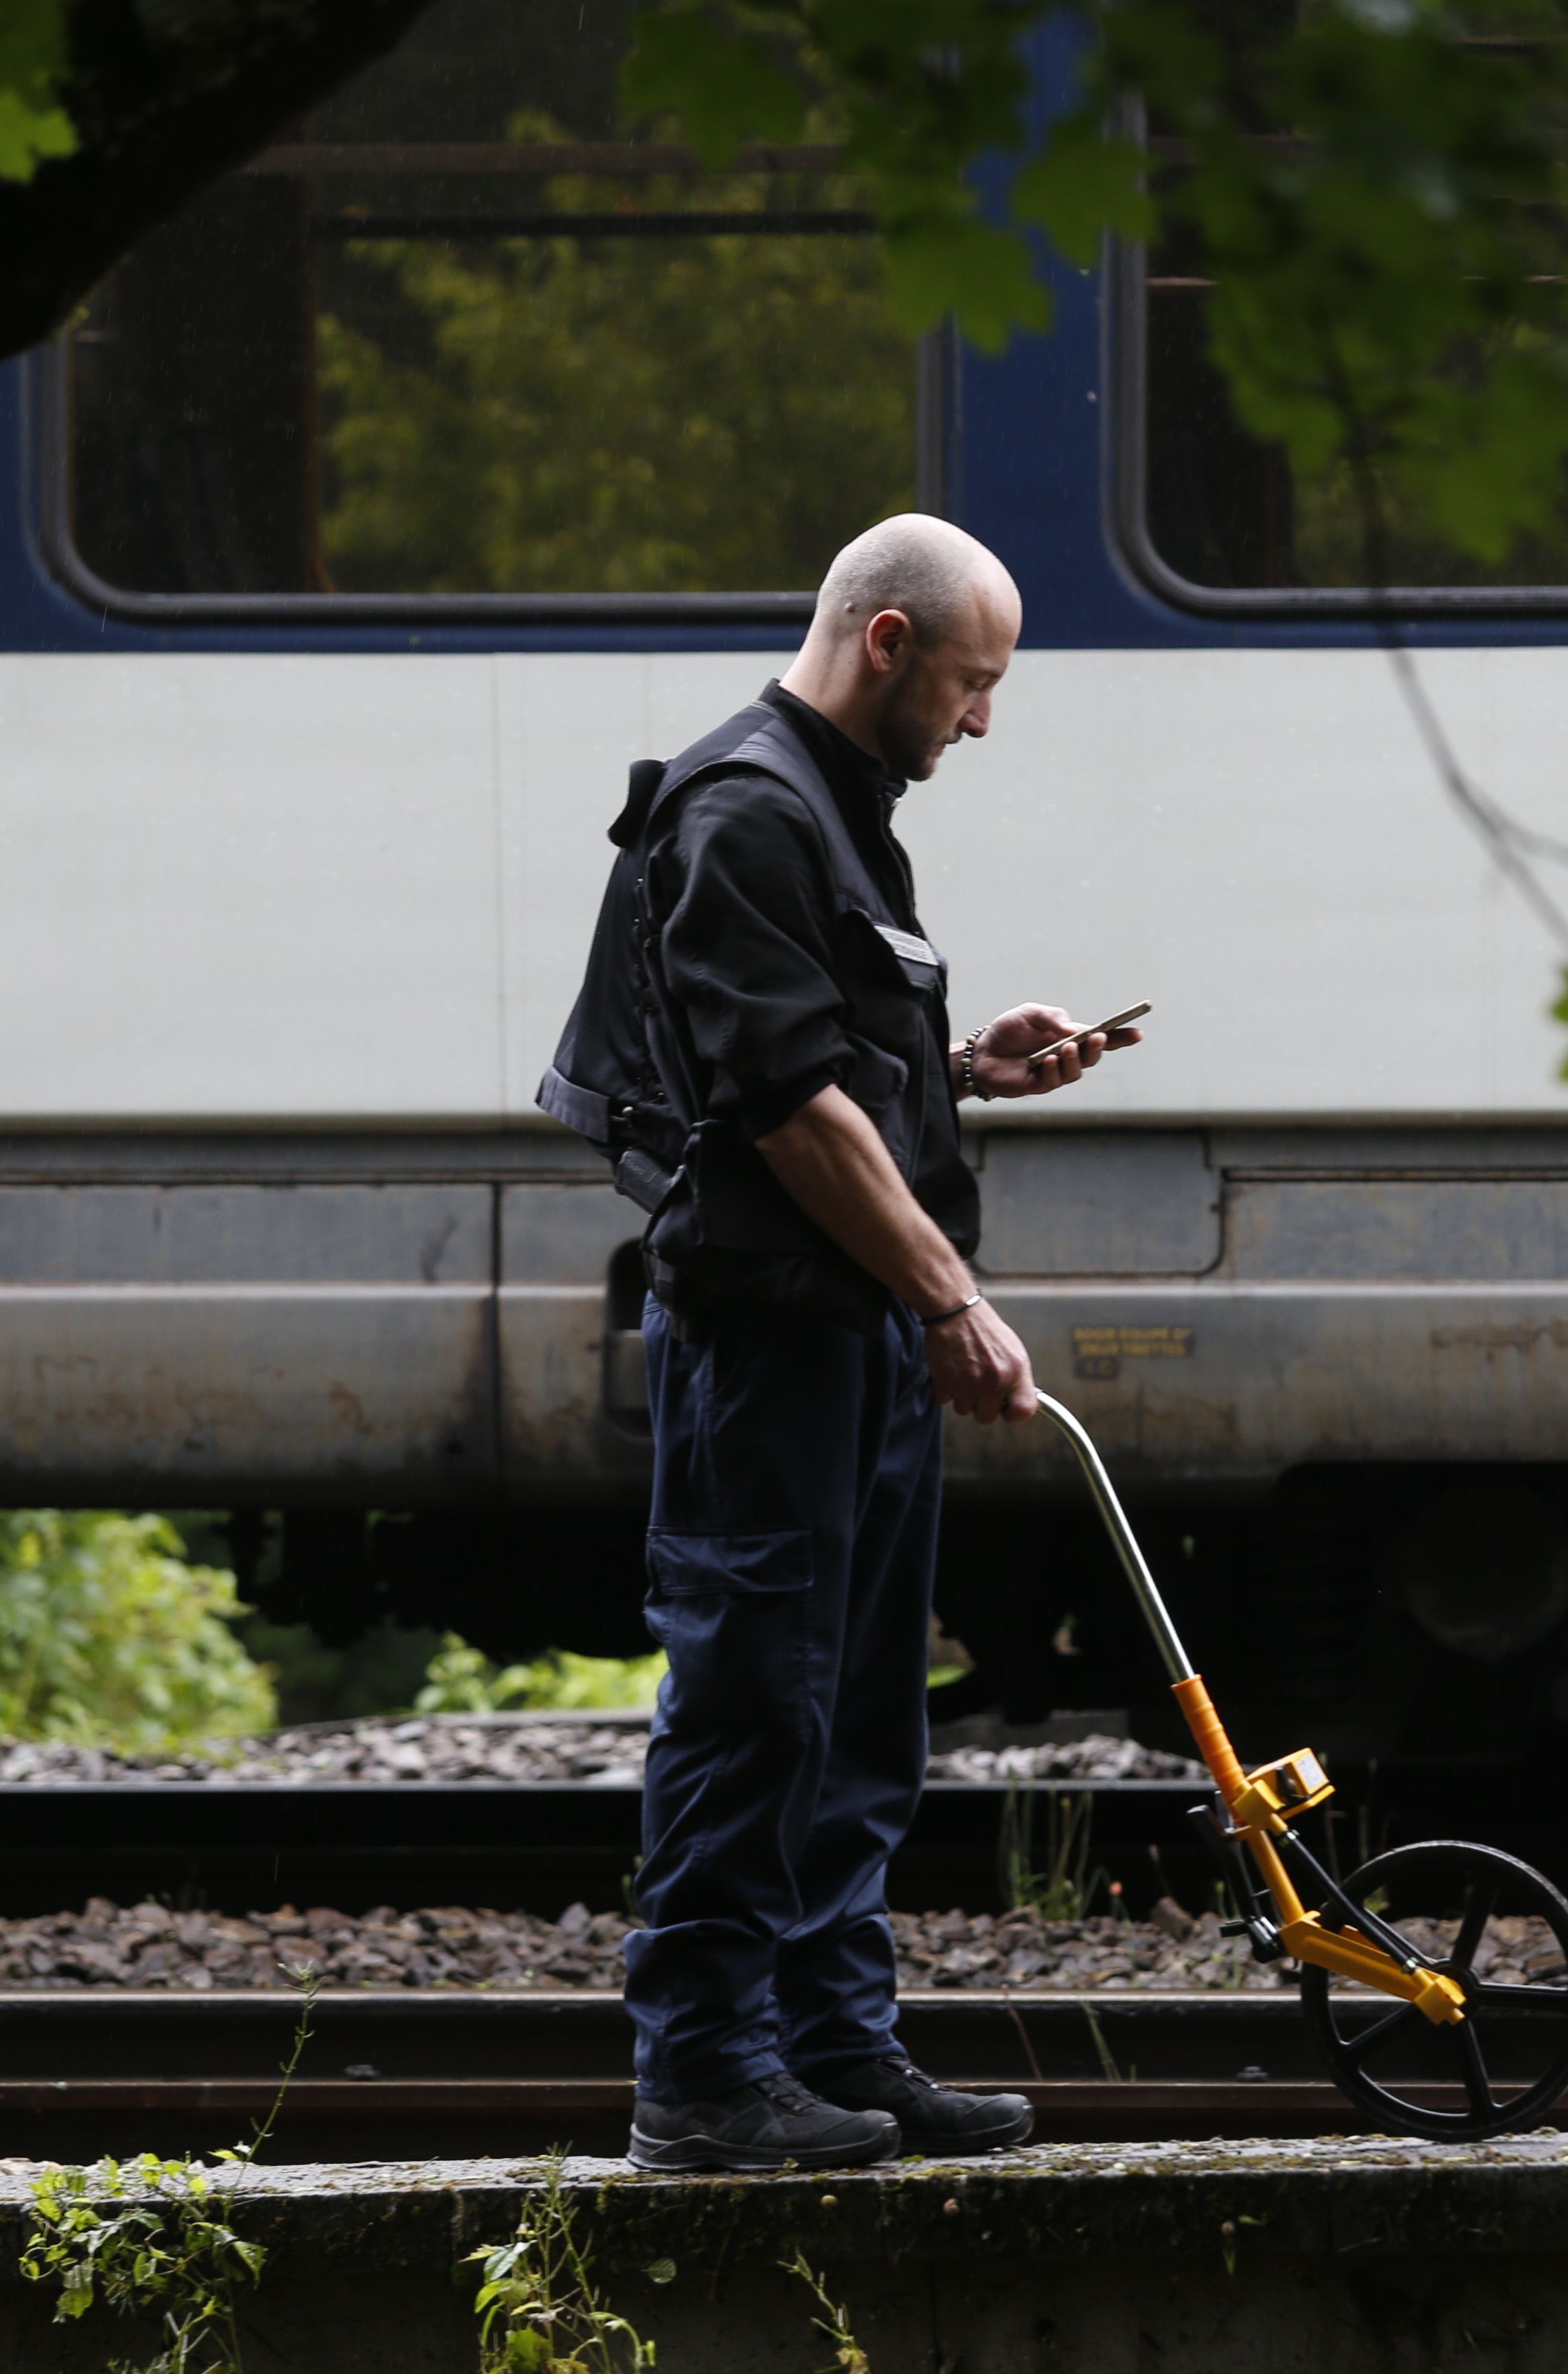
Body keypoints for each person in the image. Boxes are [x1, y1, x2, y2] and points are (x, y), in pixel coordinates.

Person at [536, 513, 1139, 2173]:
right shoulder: (747, 810)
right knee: (756, 1701)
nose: (983, 718)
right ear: (888, 645)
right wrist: (951, 1294)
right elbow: (782, 1111)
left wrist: (959, 1065)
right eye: (973, 680)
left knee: (864, 1715)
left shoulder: (833, 809)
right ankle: (706, 2077)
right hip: (776, 1346)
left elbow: (825, 1056)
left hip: (846, 1343)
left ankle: (838, 2053)